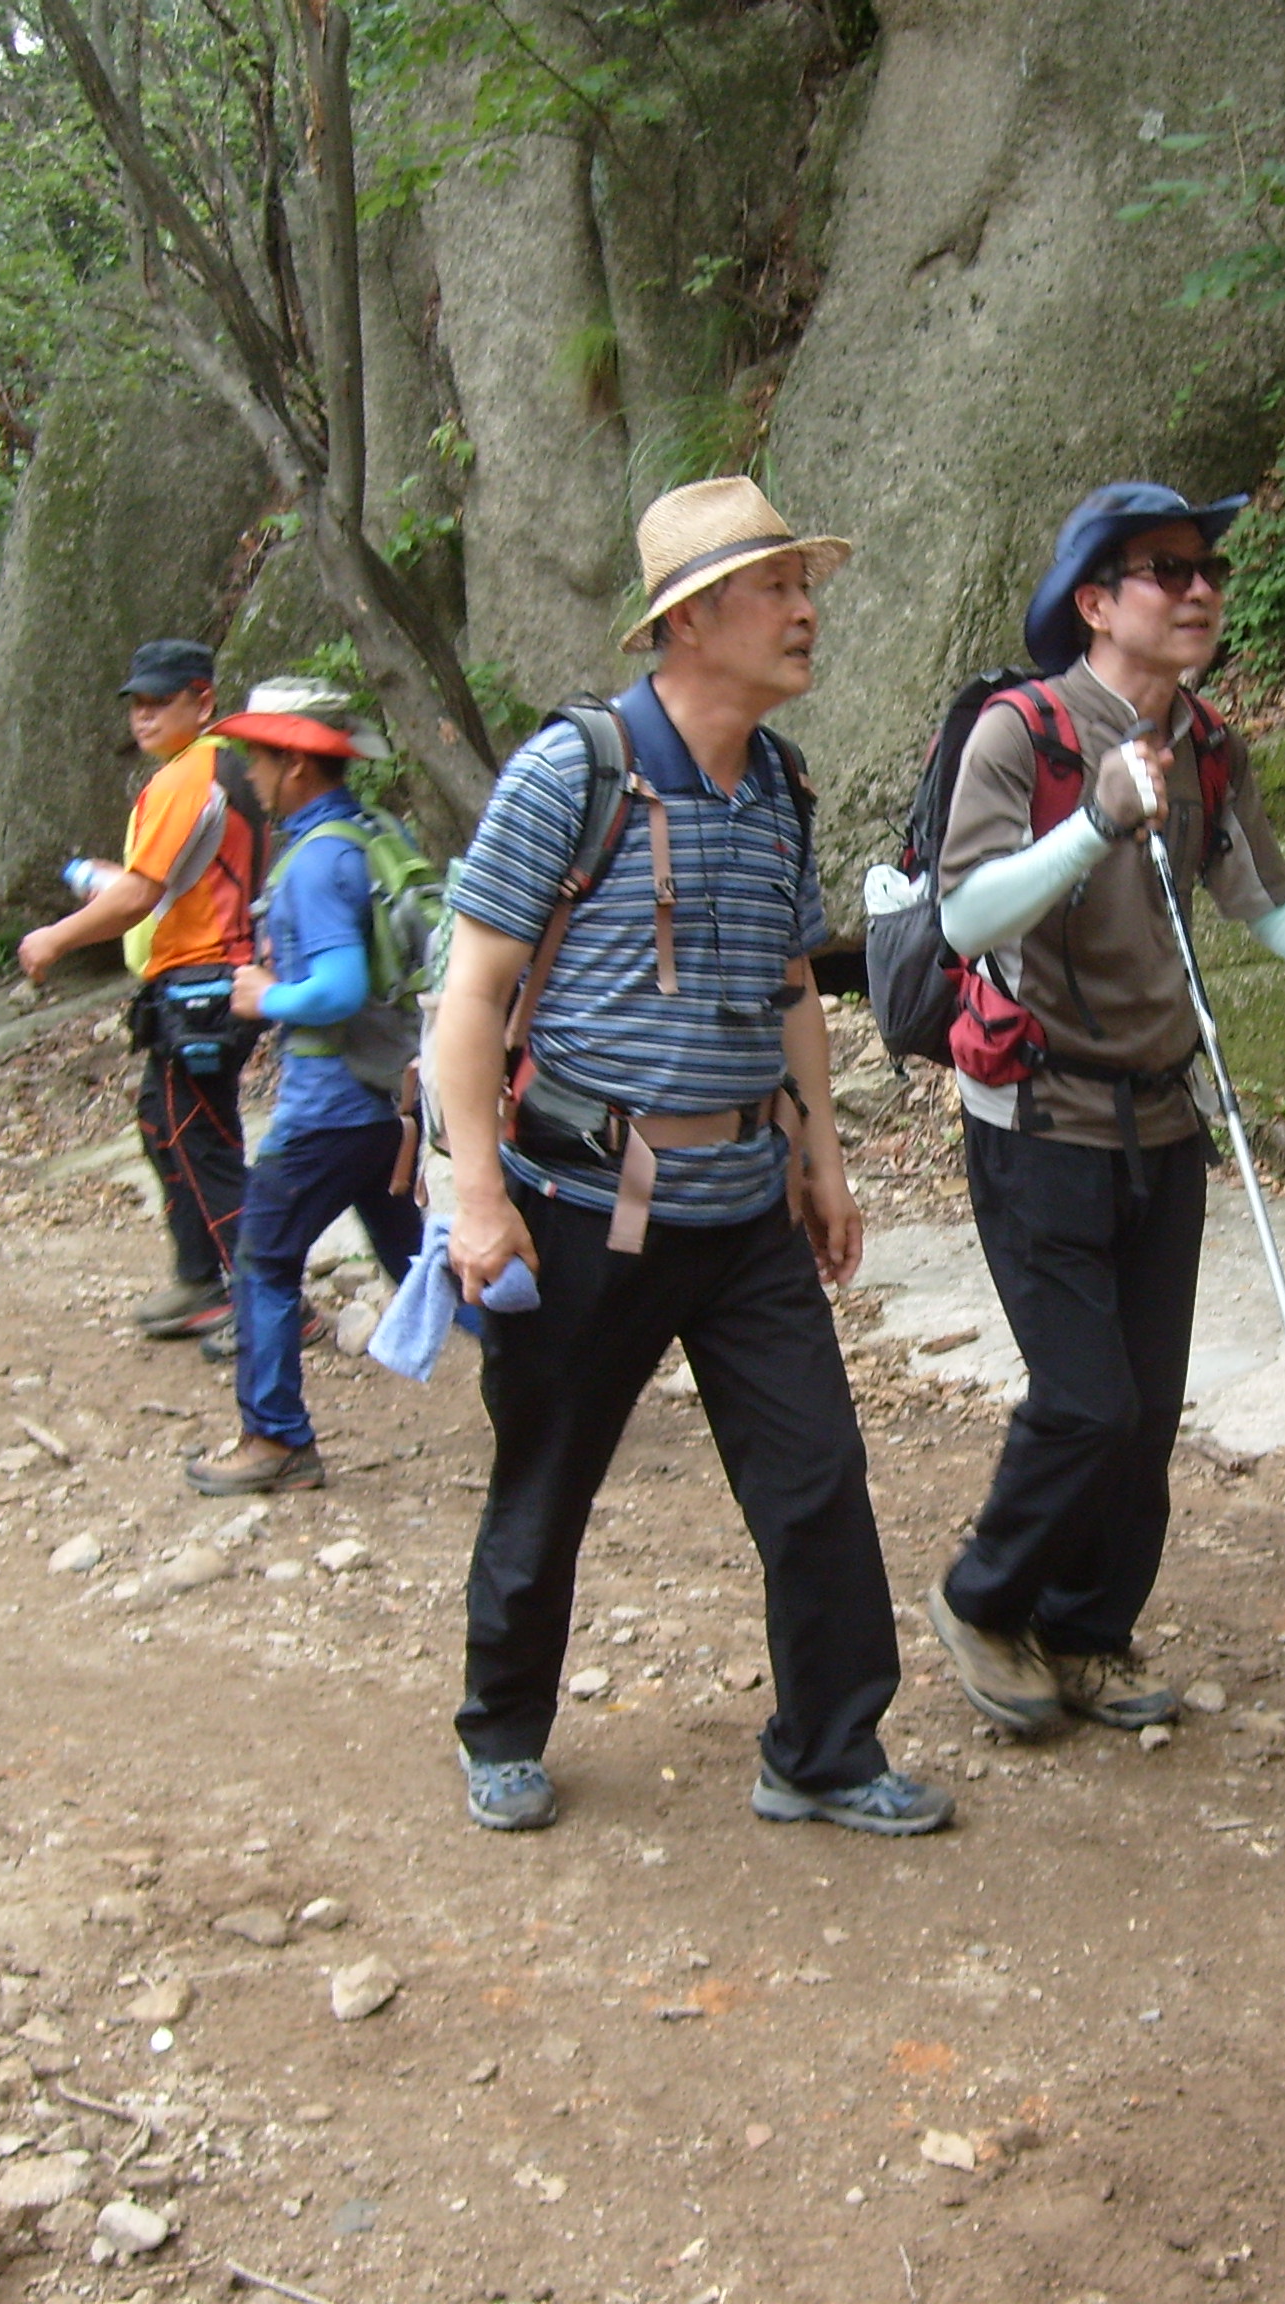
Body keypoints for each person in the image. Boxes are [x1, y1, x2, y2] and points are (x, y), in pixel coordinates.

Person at [428, 475, 948, 1839]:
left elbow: (792, 985)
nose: (805, 609)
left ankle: (824, 1752)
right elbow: (469, 995)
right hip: (580, 1204)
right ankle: (501, 1730)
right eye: (777, 588)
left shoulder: (778, 784)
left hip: (745, 1210)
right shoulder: (573, 772)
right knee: (547, 1482)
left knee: (817, 1479)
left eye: (802, 584)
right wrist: (475, 1196)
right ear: (693, 619)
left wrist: (823, 1158)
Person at [924, 482, 1285, 1737]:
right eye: (1166, 569)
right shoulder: (1022, 736)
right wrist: (1095, 824)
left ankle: (1087, 1633)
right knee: (1087, 1402)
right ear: (1094, 602)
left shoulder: (1208, 744)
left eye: (1210, 570)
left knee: (1145, 1418)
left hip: (1161, 1119)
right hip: (1035, 1119)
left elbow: (1267, 908)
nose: (1200, 590)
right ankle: (981, 1600)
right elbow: (964, 918)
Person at [177, 678, 427, 1497]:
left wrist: (265, 997)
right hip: (390, 1094)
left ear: (294, 764)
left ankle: (275, 1439)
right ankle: (558, 1375)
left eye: (256, 757)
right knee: (418, 1260)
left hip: (329, 1107)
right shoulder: (374, 832)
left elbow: (338, 988)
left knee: (263, 1260)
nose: (248, 773)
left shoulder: (317, 861)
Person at [17, 637, 260, 1342]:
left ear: (202, 701)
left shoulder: (189, 777)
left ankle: (269, 1302)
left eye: (160, 701)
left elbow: (137, 897)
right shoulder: (221, 767)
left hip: (204, 982)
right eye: (137, 703)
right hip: (200, 981)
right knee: (164, 1125)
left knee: (199, 1140)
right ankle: (199, 1282)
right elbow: (162, 884)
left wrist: (55, 938)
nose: (144, 715)